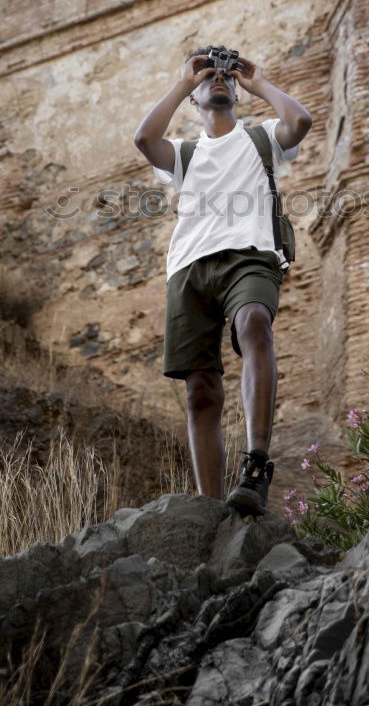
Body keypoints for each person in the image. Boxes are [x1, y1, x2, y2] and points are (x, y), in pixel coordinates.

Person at [133, 47, 311, 514]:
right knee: (201, 388)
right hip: (189, 268)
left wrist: (258, 82)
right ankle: (209, 509)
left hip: (250, 256)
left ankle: (255, 464)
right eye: (209, 77)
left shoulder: (262, 138)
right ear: (195, 99)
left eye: (225, 79)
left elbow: (302, 121)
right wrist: (184, 82)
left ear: (236, 92)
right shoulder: (186, 155)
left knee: (254, 321)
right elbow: (144, 138)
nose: (219, 81)